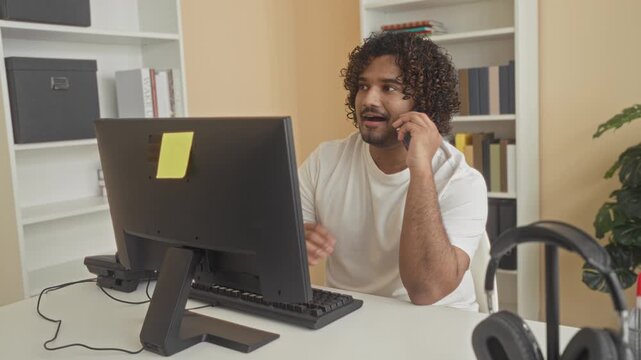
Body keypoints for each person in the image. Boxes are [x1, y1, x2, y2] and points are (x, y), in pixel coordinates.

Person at [298, 31, 488, 311]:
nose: (368, 100)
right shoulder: (324, 161)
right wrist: (295, 244)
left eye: (388, 88)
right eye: (363, 86)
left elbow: (427, 291)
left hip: (439, 325)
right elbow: (279, 244)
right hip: (349, 321)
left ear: (423, 104)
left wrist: (420, 168)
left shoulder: (461, 180)